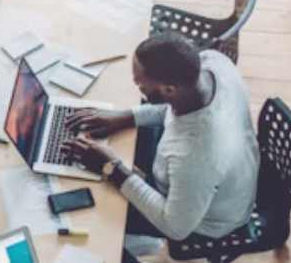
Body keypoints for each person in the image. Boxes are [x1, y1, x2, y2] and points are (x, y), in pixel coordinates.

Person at [62, 33, 260, 247]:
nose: (135, 84)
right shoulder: (212, 62)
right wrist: (125, 117)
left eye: (140, 84)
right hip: (218, 176)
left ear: (169, 89)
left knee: (93, 207)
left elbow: (175, 227)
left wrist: (112, 168)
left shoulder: (196, 154)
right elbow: (172, 108)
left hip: (201, 220)